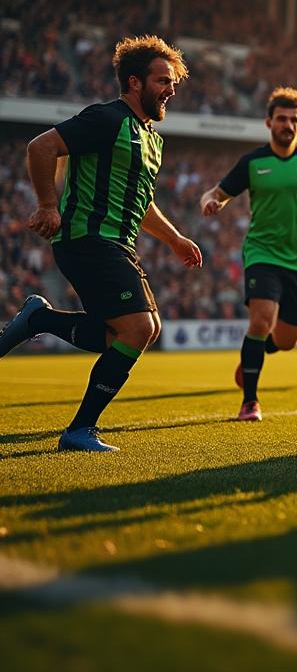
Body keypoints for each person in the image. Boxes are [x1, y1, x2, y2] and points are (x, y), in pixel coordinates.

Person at [0, 35, 200, 452]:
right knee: (139, 326)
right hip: (87, 239)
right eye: (163, 80)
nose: (171, 89)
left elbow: (141, 203)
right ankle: (79, 430)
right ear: (134, 82)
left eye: (174, 82)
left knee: (132, 333)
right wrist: (47, 205)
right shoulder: (107, 119)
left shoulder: (152, 139)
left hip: (118, 244)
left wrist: (175, 239)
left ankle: (40, 320)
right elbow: (42, 146)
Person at [199, 87, 297, 422]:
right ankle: (250, 402)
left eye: (294, 120)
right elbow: (217, 192)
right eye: (281, 118)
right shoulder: (253, 162)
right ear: (268, 122)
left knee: (285, 340)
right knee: (260, 320)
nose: (288, 124)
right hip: (262, 253)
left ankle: (252, 355)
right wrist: (211, 201)